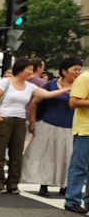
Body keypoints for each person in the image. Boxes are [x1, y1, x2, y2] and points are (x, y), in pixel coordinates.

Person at [0, 57, 68, 194]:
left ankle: (13, 184)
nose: (31, 72)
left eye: (31, 70)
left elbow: (48, 95)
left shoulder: (30, 86)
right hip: (3, 120)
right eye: (28, 69)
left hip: (20, 121)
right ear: (20, 69)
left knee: (17, 154)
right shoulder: (6, 82)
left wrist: (67, 89)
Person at [23, 57, 82, 197]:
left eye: (80, 69)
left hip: (70, 127)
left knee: (68, 157)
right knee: (46, 156)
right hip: (48, 125)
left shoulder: (82, 86)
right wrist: (32, 123)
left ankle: (65, 185)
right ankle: (44, 184)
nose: (78, 72)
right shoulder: (50, 85)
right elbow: (34, 103)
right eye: (75, 69)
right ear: (64, 71)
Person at [63, 64, 89, 215]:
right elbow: (73, 102)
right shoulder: (85, 78)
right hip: (85, 130)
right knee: (79, 166)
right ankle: (72, 200)